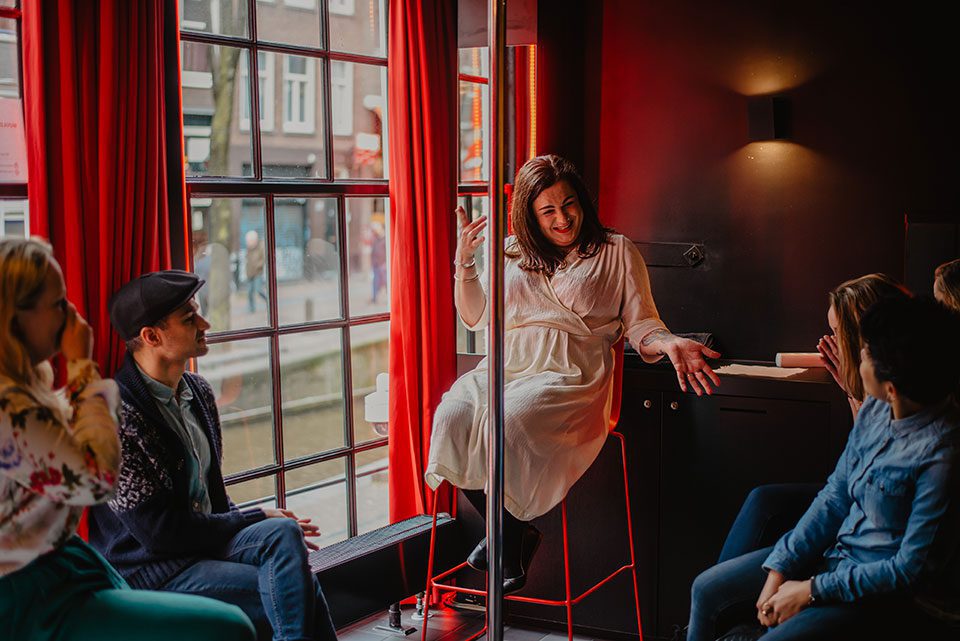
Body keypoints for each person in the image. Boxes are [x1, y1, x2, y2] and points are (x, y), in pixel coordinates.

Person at [425, 154, 721, 593]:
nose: (562, 219)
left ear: (582, 202)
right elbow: (477, 316)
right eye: (548, 211)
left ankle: (505, 536)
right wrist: (465, 263)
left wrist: (668, 342)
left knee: (509, 423)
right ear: (530, 215)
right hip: (508, 364)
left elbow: (642, 323)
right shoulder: (510, 253)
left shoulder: (615, 251)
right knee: (450, 417)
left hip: (571, 373)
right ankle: (509, 534)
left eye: (569, 205)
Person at [0, 239, 255, 641]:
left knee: (277, 560)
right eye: (57, 304)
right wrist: (81, 364)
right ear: (18, 320)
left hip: (70, 568)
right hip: (30, 593)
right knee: (232, 627)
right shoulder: (10, 408)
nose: (71, 316)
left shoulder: (32, 390)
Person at [687, 296, 960, 641]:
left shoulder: (942, 455)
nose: (859, 357)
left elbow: (908, 570)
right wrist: (780, 567)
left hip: (880, 594)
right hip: (834, 556)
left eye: (866, 354)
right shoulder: (877, 408)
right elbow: (835, 496)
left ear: (891, 387)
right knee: (706, 589)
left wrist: (810, 590)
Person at [87, 270, 337, 641]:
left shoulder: (198, 393)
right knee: (297, 588)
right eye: (189, 319)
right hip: (152, 571)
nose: (205, 324)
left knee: (284, 533)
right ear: (151, 336)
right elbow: (160, 535)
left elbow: (214, 499)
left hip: (203, 547)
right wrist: (255, 516)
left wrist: (256, 522)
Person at [816, 273, 911, 419]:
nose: (834, 341)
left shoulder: (896, 405)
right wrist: (855, 391)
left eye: (837, 331)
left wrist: (858, 393)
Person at [245, 229, 268, 313]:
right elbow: (247, 260)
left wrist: (258, 266)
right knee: (249, 291)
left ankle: (268, 301)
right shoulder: (249, 249)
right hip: (250, 273)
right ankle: (251, 308)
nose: (249, 243)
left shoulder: (261, 246)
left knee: (259, 290)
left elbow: (263, 259)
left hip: (258, 272)